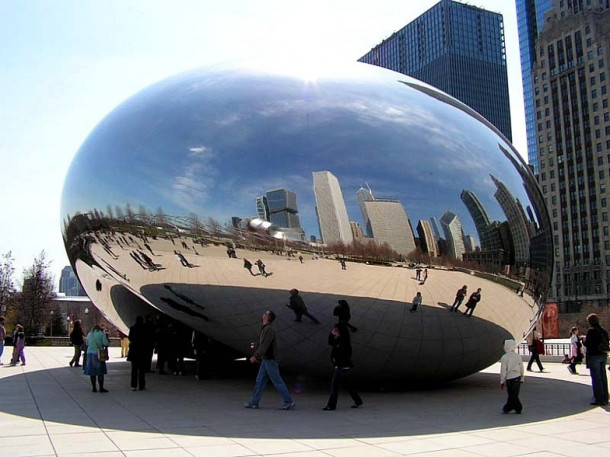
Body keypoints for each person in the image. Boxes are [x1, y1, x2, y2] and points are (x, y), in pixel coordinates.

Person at [243, 310, 295, 410]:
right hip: (266, 359)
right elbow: (261, 344)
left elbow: (264, 346)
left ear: (268, 317)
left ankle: (289, 401)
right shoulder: (265, 329)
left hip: (270, 360)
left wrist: (255, 356)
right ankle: (254, 402)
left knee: (277, 381)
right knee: (260, 381)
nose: (263, 314)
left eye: (265, 314)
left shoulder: (269, 330)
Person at [323, 324, 363, 411]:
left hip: (340, 368)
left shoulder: (342, 343)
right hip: (343, 367)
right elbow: (332, 343)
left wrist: (331, 334)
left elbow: (332, 343)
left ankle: (331, 405)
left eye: (336, 331)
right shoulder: (343, 341)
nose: (335, 333)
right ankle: (358, 400)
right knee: (348, 385)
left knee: (334, 387)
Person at [582, 313, 609, 406]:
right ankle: (605, 396)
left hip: (594, 356)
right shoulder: (603, 331)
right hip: (603, 354)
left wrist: (583, 340)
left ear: (590, 322)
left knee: (596, 378)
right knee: (603, 376)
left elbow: (588, 344)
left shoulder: (591, 331)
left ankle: (599, 399)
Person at [500, 339, 524, 414]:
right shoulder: (518, 356)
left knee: (511, 394)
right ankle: (516, 408)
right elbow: (521, 367)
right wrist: (522, 377)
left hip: (509, 378)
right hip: (517, 377)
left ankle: (509, 408)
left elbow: (503, 370)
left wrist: (502, 381)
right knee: (514, 394)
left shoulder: (504, 357)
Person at [83, 323, 110, 393]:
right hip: (98, 354)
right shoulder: (101, 334)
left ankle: (94, 387)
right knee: (100, 371)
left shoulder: (89, 334)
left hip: (89, 353)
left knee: (92, 372)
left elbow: (87, 343)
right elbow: (106, 343)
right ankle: (101, 388)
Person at [128, 316, 147, 391]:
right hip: (142, 350)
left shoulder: (132, 328)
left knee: (134, 370)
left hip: (134, 351)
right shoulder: (145, 329)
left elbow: (130, 338)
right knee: (142, 370)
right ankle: (141, 385)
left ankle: (134, 385)